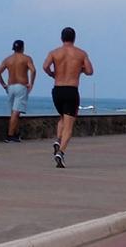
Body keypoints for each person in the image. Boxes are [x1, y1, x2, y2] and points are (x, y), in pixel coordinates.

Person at [43, 27, 94, 168]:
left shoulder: (54, 53)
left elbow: (45, 66)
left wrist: (52, 73)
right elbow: (90, 71)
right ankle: (61, 152)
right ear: (74, 38)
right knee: (69, 126)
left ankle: (58, 140)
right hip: (71, 90)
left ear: (61, 38)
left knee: (62, 117)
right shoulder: (81, 53)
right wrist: (80, 69)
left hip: (57, 90)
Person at [0, 40, 36, 142]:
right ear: (23, 48)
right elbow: (33, 70)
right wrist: (31, 83)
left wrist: (4, 85)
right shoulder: (26, 58)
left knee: (13, 111)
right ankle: (10, 136)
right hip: (21, 86)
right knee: (16, 112)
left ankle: (15, 134)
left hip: (10, 87)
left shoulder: (8, 59)